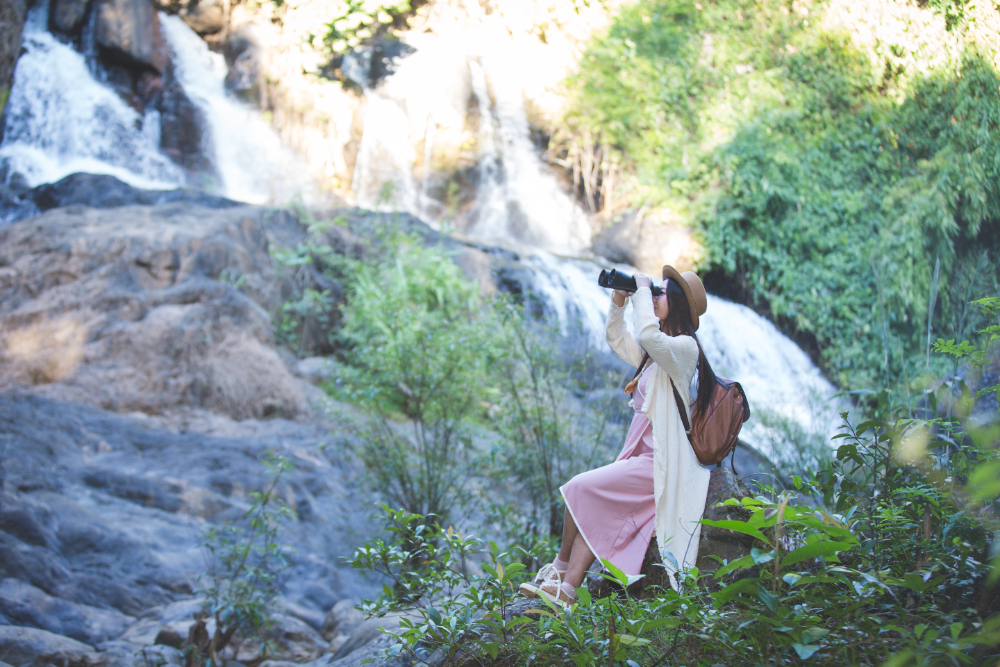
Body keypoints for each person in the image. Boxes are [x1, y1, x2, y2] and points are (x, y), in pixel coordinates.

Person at [519, 266, 717, 607]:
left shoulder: (684, 350)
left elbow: (649, 336)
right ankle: (566, 592)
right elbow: (617, 338)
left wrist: (641, 291)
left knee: (579, 488)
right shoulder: (656, 357)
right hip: (641, 460)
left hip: (662, 465)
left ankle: (559, 566)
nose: (654, 298)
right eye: (653, 293)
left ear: (679, 305)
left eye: (660, 294)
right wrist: (619, 300)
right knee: (594, 508)